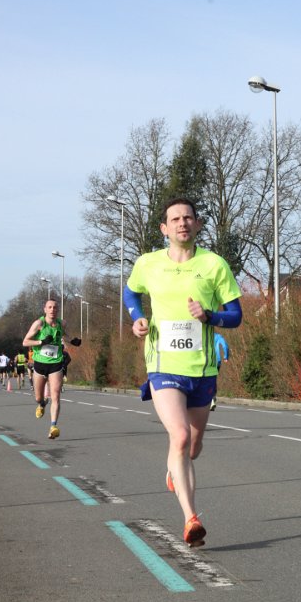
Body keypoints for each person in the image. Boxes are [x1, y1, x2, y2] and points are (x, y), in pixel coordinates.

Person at [124, 197, 242, 547]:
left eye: (188, 217)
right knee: (179, 436)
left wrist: (210, 316)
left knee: (192, 445)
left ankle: (175, 468)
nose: (182, 223)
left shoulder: (214, 265)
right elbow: (130, 294)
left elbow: (235, 316)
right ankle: (191, 519)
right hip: (163, 366)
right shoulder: (148, 264)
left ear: (198, 224)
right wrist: (138, 319)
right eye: (175, 219)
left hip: (202, 368)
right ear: (164, 228)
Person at [23, 299, 81, 439]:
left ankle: (53, 426)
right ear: (45, 309)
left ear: (58, 309)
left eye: (55, 307)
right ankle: (42, 404)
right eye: (49, 307)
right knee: (38, 397)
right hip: (40, 364)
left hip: (55, 363)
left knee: (55, 395)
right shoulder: (39, 324)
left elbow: (63, 334)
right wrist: (41, 342)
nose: (52, 310)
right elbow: (25, 342)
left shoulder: (62, 323)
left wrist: (72, 340)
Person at [210, 332, 229, 411]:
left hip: (206, 362)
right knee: (213, 379)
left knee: (205, 381)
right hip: (217, 361)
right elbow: (225, 345)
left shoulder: (202, 335)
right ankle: (213, 397)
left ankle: (210, 400)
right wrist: (225, 357)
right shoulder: (218, 336)